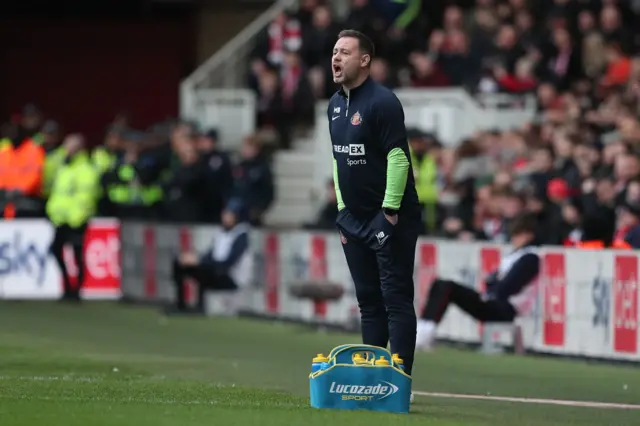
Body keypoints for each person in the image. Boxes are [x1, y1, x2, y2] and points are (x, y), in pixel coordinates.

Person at [328, 30, 421, 376]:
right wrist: (341, 210)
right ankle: (371, 377)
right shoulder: (334, 105)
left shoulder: (382, 102)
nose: (336, 58)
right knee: (368, 300)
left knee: (395, 298)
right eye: (335, 52)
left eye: (345, 53)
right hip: (353, 219)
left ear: (364, 60)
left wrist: (390, 211)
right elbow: (338, 160)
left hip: (389, 217)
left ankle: (399, 380)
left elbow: (398, 158)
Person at [416, 214, 540, 350]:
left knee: (448, 287)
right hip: (494, 300)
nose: (514, 238)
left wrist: (493, 283)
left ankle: (426, 332)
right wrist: (494, 282)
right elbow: (495, 281)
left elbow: (506, 287)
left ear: (529, 235)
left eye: (518, 234)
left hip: (507, 308)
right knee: (440, 284)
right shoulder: (516, 255)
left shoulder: (530, 258)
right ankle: (425, 326)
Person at [167, 200, 251, 314]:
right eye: (225, 213)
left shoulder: (241, 235)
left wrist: (200, 262)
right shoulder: (221, 232)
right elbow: (211, 254)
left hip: (231, 276)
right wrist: (196, 260)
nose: (225, 217)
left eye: (229, 214)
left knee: (204, 270)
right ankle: (181, 304)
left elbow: (228, 262)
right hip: (216, 269)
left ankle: (201, 306)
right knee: (180, 263)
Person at [46, 134, 100, 302]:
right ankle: (68, 285)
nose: (66, 149)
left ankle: (76, 289)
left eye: (69, 145)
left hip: (76, 219)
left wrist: (78, 217)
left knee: (77, 255)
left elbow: (86, 197)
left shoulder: (85, 168)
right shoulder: (64, 166)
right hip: (60, 218)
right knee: (56, 250)